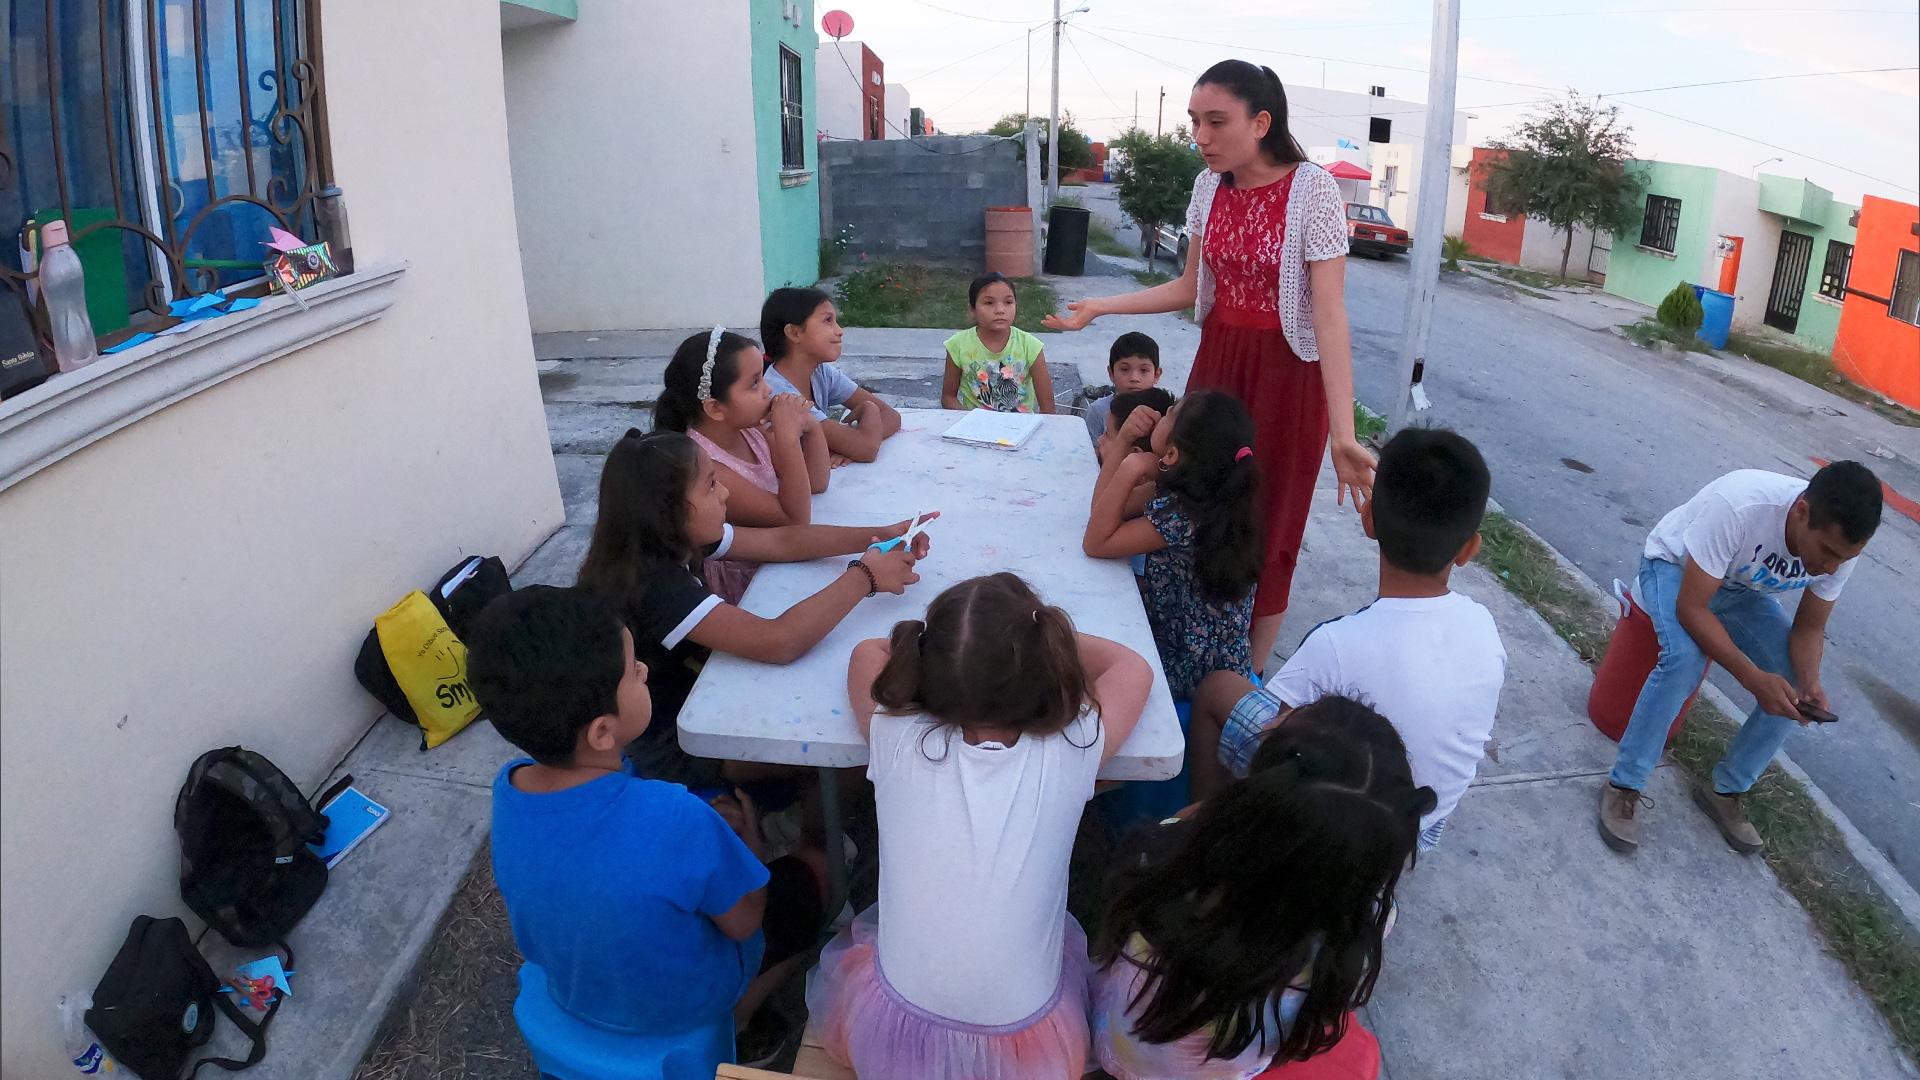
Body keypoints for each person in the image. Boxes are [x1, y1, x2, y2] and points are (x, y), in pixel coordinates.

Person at [1045, 60, 1376, 672]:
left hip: (1286, 378)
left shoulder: (1314, 190)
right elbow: (1190, 287)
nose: (1200, 135)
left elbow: (1329, 318)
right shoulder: (1207, 188)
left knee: (1267, 521)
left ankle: (1239, 681)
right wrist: (1100, 308)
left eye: (1215, 121)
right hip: (1218, 367)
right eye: (1195, 120)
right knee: (1188, 498)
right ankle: (1184, 640)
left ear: (1261, 122)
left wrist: (1343, 433)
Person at [807, 573, 1154, 1079]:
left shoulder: (897, 735)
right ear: (1044, 662)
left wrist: (953, 643)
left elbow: (866, 650)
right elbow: (1131, 666)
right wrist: (1040, 634)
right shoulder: (1071, 747)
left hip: (897, 1034)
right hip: (1029, 1048)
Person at [470, 586, 825, 1070]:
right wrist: (752, 846)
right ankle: (741, 1016)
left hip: (573, 987)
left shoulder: (509, 787)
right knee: (815, 875)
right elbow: (743, 921)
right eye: (633, 671)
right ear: (601, 731)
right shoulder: (677, 817)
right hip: (679, 1008)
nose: (644, 672)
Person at [1187, 428, 1506, 854]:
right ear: (1469, 549)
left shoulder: (1335, 644)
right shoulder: (1484, 626)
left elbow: (1274, 749)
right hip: (1417, 832)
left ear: (1368, 517)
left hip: (1335, 827)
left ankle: (1209, 842)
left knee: (1218, 688)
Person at [1093, 695, 1432, 1080]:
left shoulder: (1163, 866)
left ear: (1256, 798)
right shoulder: (1366, 922)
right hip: (1233, 1066)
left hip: (1123, 1054)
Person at [576, 429, 933, 786]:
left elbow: (782, 540)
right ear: (670, 512)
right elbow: (778, 641)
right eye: (712, 485)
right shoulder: (652, 586)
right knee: (855, 749)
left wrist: (881, 535)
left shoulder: (668, 538)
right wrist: (865, 577)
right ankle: (803, 835)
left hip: (709, 696)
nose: (725, 492)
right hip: (682, 746)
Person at [1599, 462, 1883, 855]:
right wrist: (1752, 677)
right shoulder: (1739, 506)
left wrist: (1809, 680)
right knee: (1684, 660)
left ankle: (1725, 791)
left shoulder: (1842, 546)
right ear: (1801, 512)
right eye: (1828, 552)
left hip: (1741, 590)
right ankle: (1623, 785)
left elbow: (1809, 629)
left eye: (1845, 557)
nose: (1832, 567)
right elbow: (1693, 609)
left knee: (1791, 686)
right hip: (1673, 570)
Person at [1083, 391, 1262, 700]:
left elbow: (1096, 541)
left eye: (1169, 414)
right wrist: (1124, 440)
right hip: (1191, 647)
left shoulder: (1186, 515)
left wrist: (1131, 466)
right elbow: (1101, 510)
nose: (1162, 413)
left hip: (1190, 667)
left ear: (1173, 454)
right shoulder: (1198, 489)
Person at [655, 328, 828, 603]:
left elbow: (816, 483)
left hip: (781, 556)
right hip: (749, 583)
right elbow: (796, 520)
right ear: (714, 408)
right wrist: (787, 437)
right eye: (754, 383)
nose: (768, 390)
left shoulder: (750, 430)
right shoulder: (707, 466)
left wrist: (811, 427)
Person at [760, 287, 901, 466]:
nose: (840, 330)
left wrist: (850, 446)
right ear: (795, 333)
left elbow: (891, 416)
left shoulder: (820, 372)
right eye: (828, 320)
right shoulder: (780, 393)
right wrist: (863, 427)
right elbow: (866, 448)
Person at [942, 272, 1056, 413]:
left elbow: (1048, 407)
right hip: (975, 428)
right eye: (989, 303)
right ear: (973, 309)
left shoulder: (1031, 346)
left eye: (1008, 302)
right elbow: (948, 397)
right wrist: (968, 419)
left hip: (1020, 427)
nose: (1000, 310)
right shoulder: (958, 345)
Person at [1085, 330, 1165, 445]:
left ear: (1156, 375)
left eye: (1143, 370)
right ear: (1111, 373)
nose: (1134, 378)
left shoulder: (1163, 413)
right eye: (1124, 369)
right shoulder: (1097, 411)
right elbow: (1091, 457)